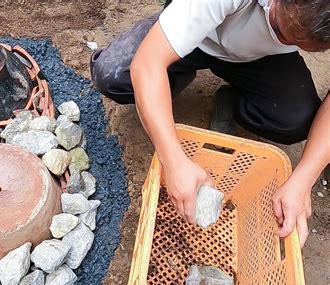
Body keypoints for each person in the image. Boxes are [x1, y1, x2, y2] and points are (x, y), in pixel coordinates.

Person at [90, 0, 329, 247]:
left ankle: (233, 98)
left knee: (294, 119)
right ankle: (175, 64)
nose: (287, 40)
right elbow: (147, 64)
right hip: (203, 31)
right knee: (113, 74)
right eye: (280, 30)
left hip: (259, 58)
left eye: (302, 45)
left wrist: (304, 179)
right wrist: (174, 161)